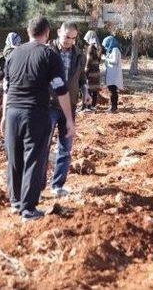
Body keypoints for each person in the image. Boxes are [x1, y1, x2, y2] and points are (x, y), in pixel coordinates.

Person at [0, 17, 75, 222]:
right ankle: (28, 209)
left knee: (14, 157)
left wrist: (5, 115)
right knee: (34, 158)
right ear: (48, 32)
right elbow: (60, 88)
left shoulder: (13, 54)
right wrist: (69, 119)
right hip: (35, 113)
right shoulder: (49, 54)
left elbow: (6, 86)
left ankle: (16, 202)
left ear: (28, 31)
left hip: (13, 111)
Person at [46, 22, 91, 198]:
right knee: (43, 146)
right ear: (59, 32)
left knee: (66, 148)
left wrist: (86, 93)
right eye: (66, 37)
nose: (69, 41)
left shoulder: (79, 54)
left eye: (73, 38)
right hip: (49, 105)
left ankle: (57, 185)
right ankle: (38, 185)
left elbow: (82, 78)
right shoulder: (47, 51)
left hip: (69, 107)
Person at [102, 35, 123, 113]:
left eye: (106, 44)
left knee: (113, 91)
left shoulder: (115, 49)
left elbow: (114, 61)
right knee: (112, 90)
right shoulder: (112, 50)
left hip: (114, 74)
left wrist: (106, 59)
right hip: (112, 74)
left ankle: (113, 107)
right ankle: (113, 106)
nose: (105, 46)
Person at [82, 30, 101, 112]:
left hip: (91, 72)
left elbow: (89, 60)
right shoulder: (98, 47)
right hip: (96, 72)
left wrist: (85, 71)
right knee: (95, 90)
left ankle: (87, 106)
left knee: (88, 89)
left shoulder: (90, 47)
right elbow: (99, 60)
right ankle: (93, 105)